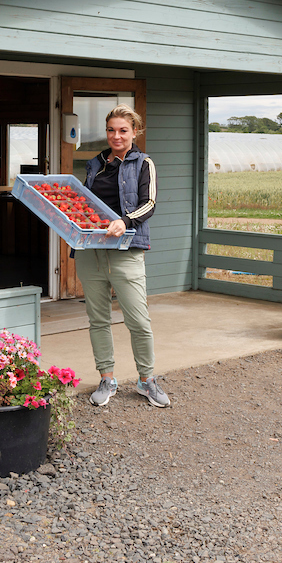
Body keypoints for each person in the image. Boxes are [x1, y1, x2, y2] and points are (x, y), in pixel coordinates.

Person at [75, 104, 170, 408]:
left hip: (126, 250)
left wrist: (125, 221)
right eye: (111, 130)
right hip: (91, 251)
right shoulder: (94, 164)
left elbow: (150, 203)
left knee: (138, 320)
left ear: (135, 132)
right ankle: (107, 378)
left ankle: (147, 381)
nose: (116, 136)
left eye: (123, 130)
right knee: (98, 319)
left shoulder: (144, 163)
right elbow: (87, 204)